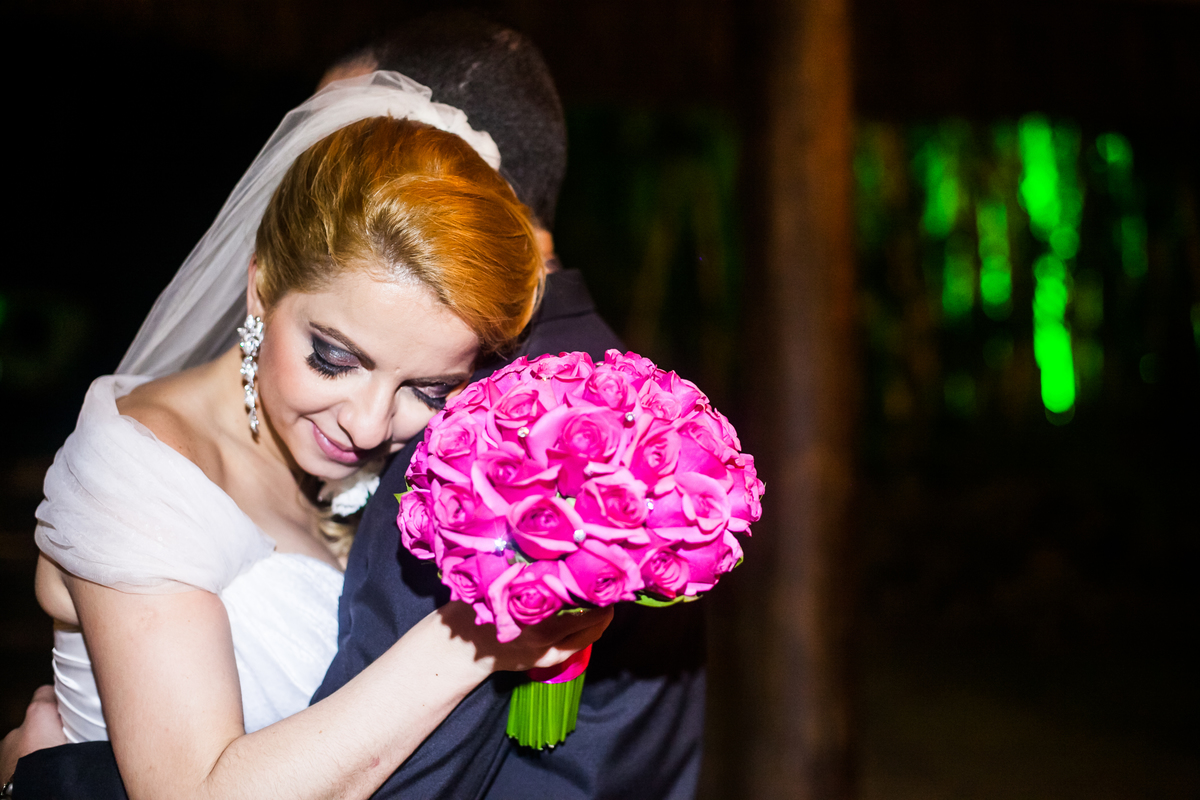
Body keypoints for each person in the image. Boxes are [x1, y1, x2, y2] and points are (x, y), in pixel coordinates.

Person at [6, 13, 706, 800]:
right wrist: (484, 633)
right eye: (334, 358)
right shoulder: (141, 466)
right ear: (261, 284)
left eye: (427, 389)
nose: (371, 425)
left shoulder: (439, 442)